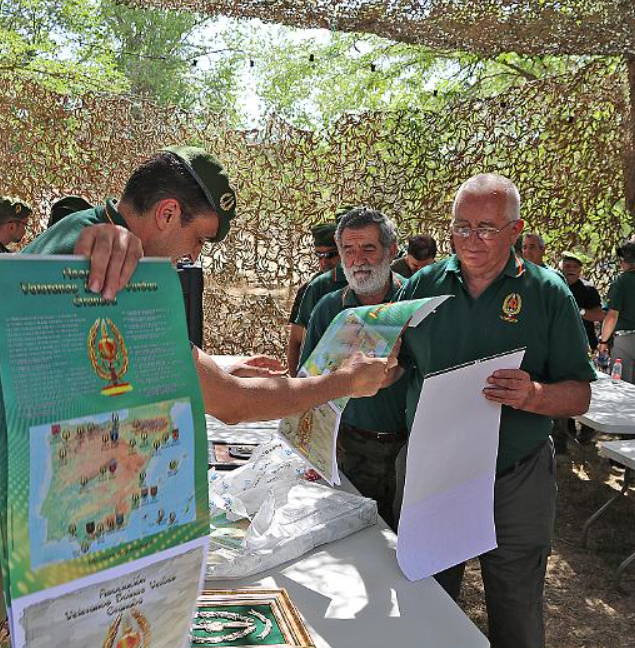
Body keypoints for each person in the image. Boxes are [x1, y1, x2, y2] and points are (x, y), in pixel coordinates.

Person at [22, 146, 396, 424]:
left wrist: (220, 368)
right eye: (199, 238)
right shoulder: (118, 267)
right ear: (167, 213)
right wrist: (344, 382)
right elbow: (233, 404)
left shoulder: (81, 228)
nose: (194, 254)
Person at [394, 173, 594, 648]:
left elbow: (580, 396)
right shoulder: (424, 283)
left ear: (515, 231)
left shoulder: (548, 293)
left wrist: (534, 395)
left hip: (516, 476)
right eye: (461, 227)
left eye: (486, 228)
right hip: (435, 473)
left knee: (517, 614)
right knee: (426, 606)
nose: (471, 239)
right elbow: (396, 362)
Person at [300, 207, 408, 528]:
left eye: (368, 248)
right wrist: (317, 448)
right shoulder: (329, 308)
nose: (357, 259)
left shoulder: (415, 299)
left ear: (391, 250)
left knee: (407, 541)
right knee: (357, 538)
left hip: (412, 448)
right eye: (348, 249)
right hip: (351, 450)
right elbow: (308, 383)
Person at [553, 251, 604, 447]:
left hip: (584, 346)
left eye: (575, 267)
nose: (570, 270)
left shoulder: (588, 289)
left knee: (586, 387)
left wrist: (578, 310)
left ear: (581, 270)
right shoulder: (554, 285)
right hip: (558, 347)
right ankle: (565, 435)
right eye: (567, 266)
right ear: (560, 267)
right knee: (563, 388)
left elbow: (599, 315)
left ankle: (588, 431)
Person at [287, 222, 340, 377]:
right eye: (319, 255)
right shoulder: (310, 289)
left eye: (331, 255)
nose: (324, 262)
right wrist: (295, 383)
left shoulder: (361, 285)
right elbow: (296, 341)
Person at [599, 241, 635, 383]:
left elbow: (612, 316)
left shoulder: (620, 282)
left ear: (622, 261)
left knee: (622, 385)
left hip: (625, 341)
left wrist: (603, 341)